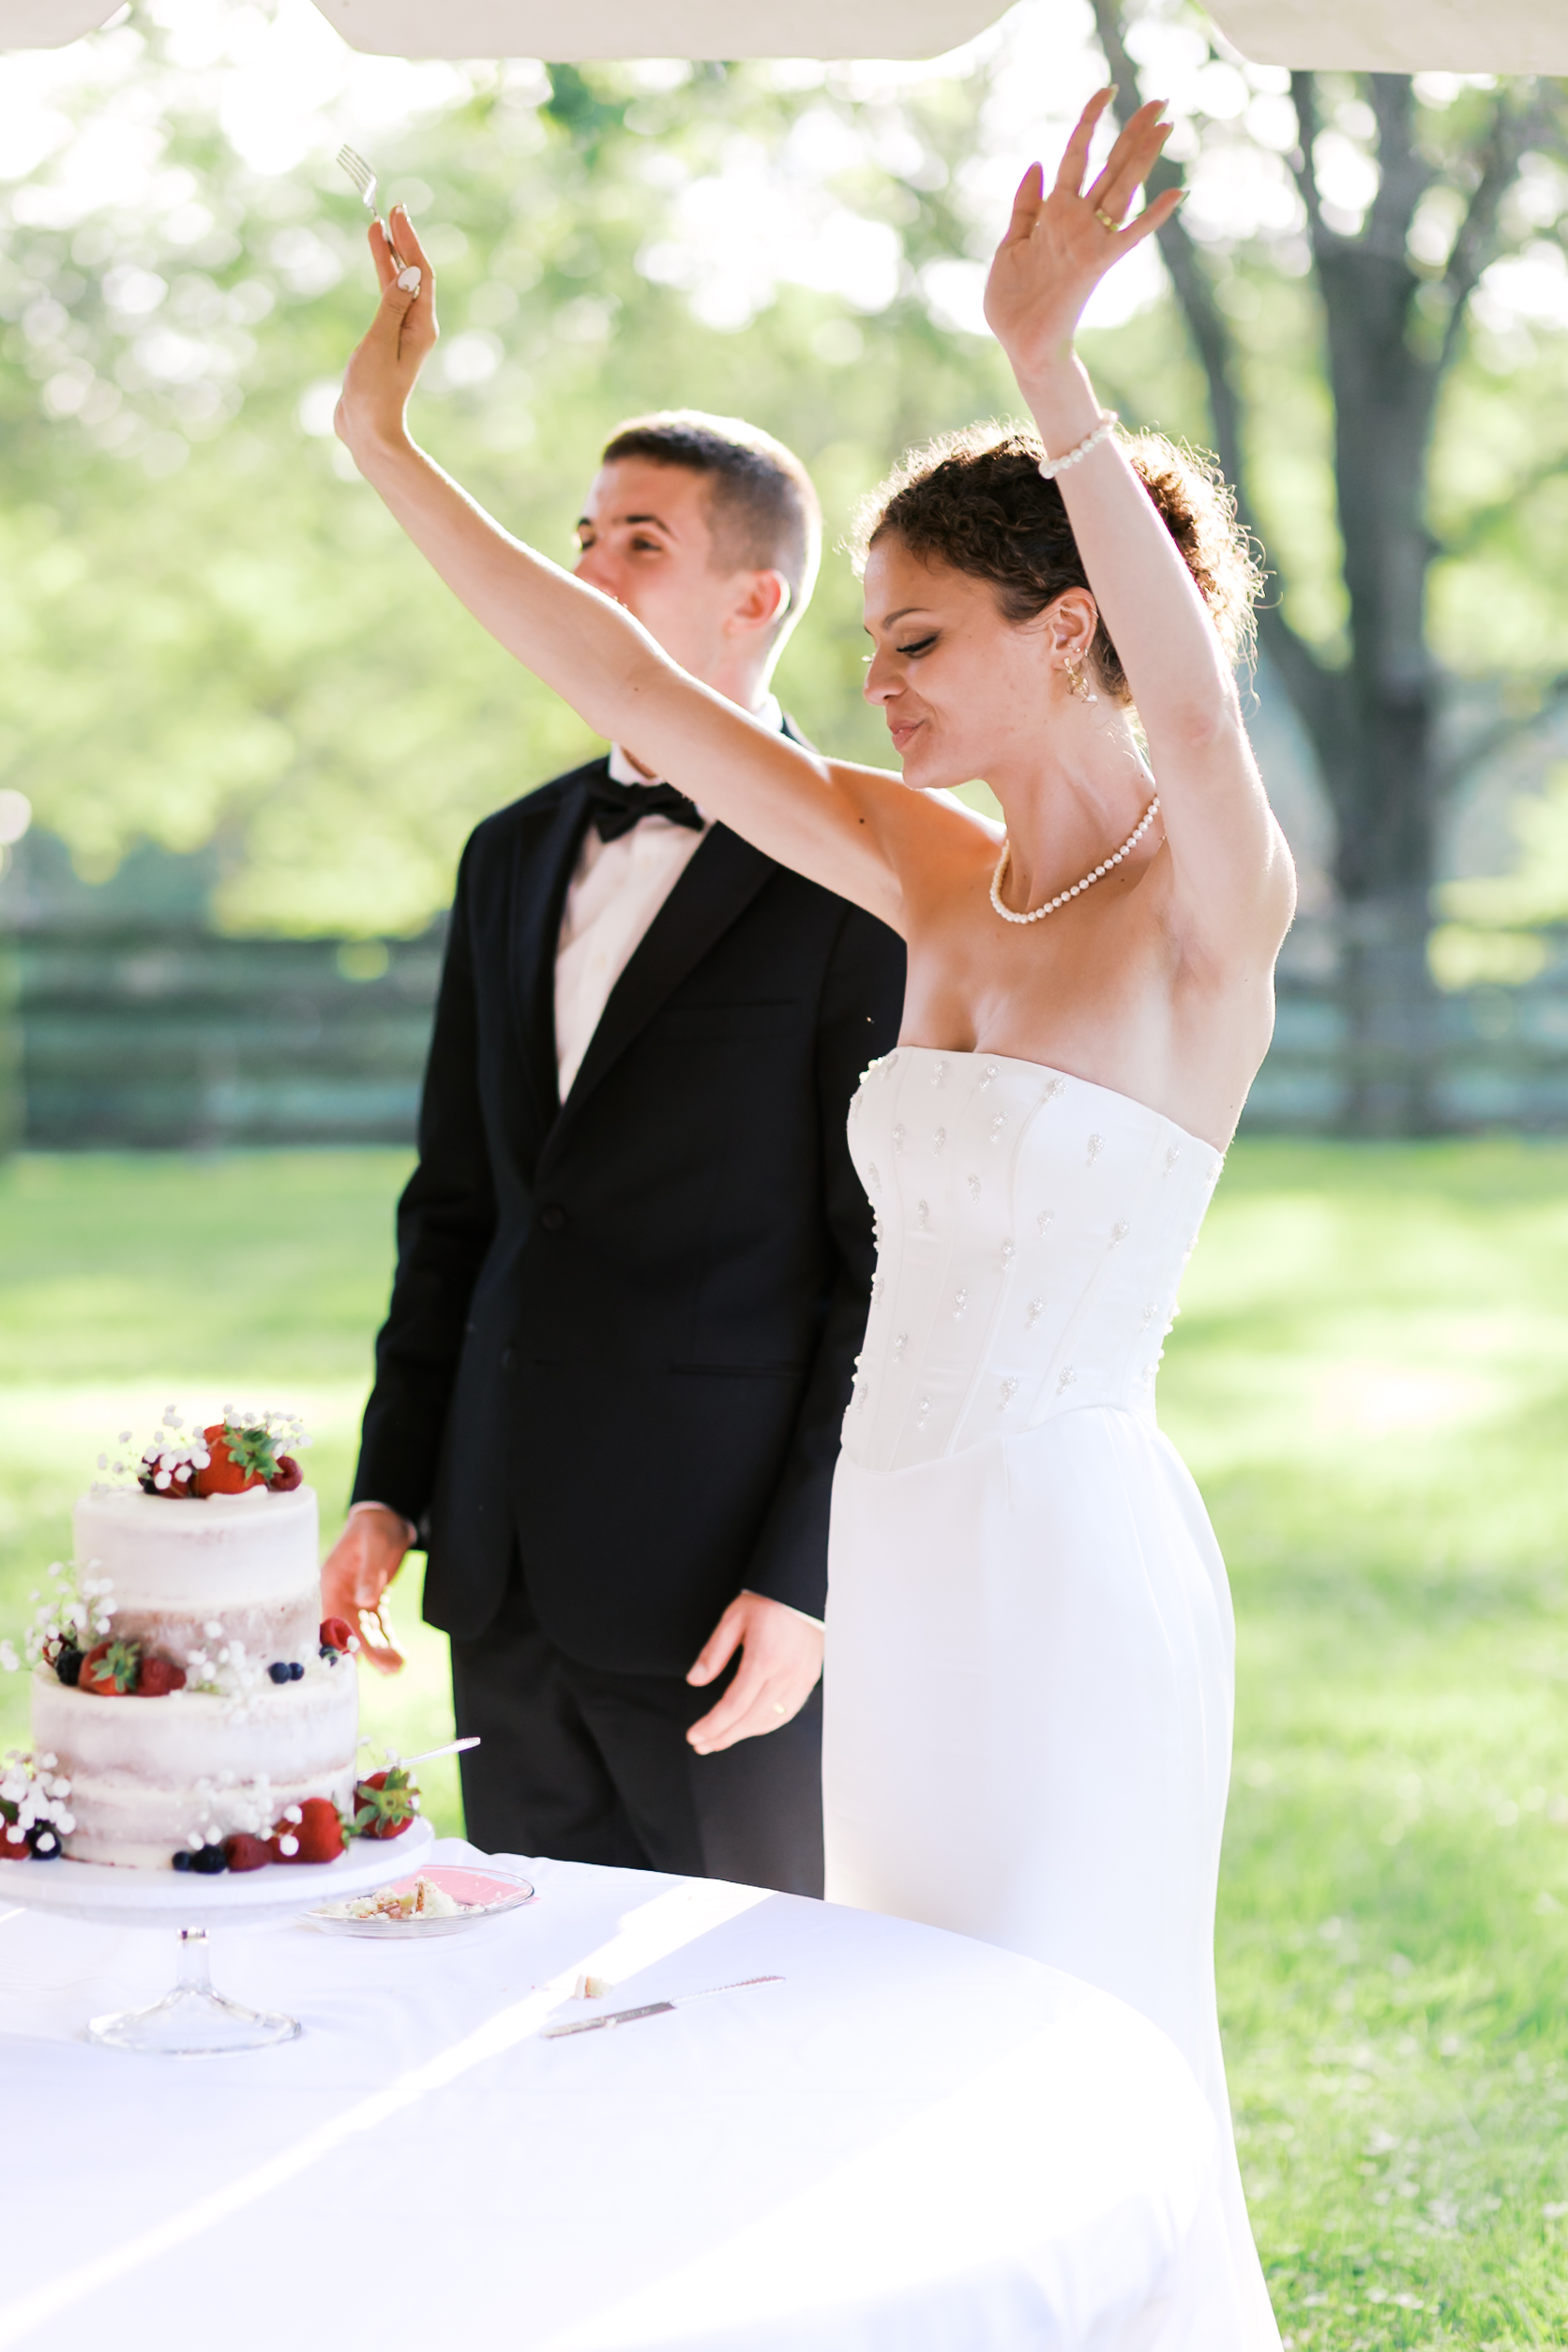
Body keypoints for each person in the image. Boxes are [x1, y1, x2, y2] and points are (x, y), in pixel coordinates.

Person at [334, 90, 1290, 2342]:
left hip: (1065, 1567)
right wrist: (382, 450)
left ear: (1067, 633)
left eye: (923, 638)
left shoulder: (1205, 908)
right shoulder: (918, 869)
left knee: (1067, 2034)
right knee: (908, 2054)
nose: (875, 680)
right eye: (864, 640)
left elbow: (1194, 698)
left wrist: (1043, 360)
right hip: (904, 1561)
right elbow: (634, 683)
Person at [321, 409, 905, 1897]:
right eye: (581, 535)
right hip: (503, 1562)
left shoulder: (862, 870)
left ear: (753, 598)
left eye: (637, 541)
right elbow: (457, 1203)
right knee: (532, 2001)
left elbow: (885, 1269)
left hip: (720, 1591)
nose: (585, 566)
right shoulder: (509, 853)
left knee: (745, 2004)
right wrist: (393, 1486)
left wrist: (807, 1573)